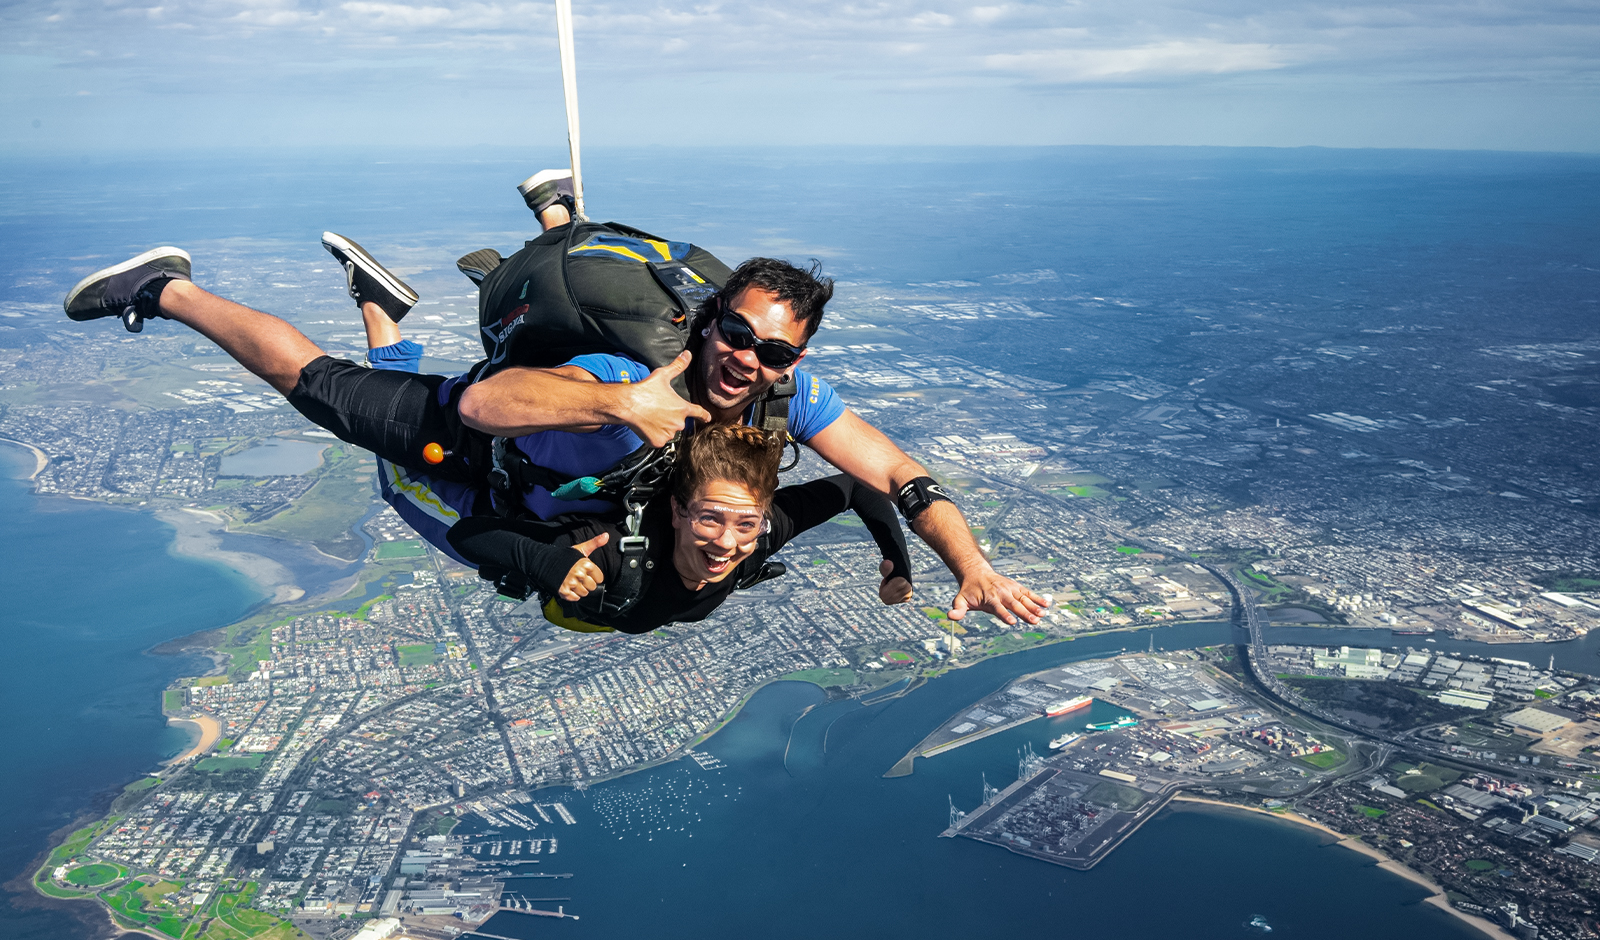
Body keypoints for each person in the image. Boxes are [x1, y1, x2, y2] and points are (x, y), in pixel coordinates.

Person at [61, 195, 1046, 625]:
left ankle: (537, 226)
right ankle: (167, 289)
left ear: (798, 357)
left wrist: (969, 563)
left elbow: (899, 475)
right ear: (708, 319)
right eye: (738, 334)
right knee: (318, 389)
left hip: (547, 490)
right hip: (479, 443)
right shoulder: (636, 378)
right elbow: (489, 402)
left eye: (776, 351)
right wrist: (625, 404)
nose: (750, 360)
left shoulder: (790, 395)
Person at [448, 423, 913, 634]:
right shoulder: (615, 549)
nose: (728, 542)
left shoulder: (762, 531)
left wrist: (897, 563)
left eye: (746, 523)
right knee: (423, 482)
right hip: (557, 585)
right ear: (676, 511)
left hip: (616, 614)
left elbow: (857, 487)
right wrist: (547, 561)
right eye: (710, 518)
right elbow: (466, 535)